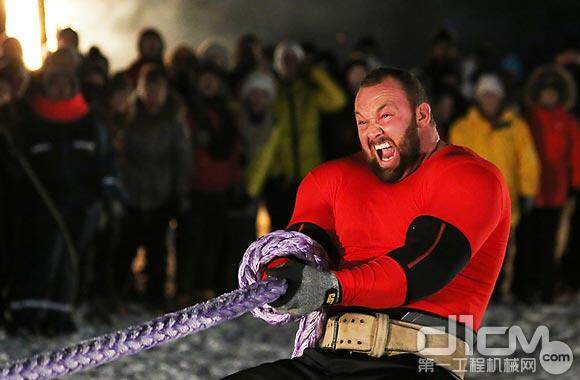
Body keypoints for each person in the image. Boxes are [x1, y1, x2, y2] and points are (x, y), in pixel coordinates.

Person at [226, 67, 510, 379]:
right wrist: (282, 274)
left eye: (385, 116)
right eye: (363, 121)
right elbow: (302, 247)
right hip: (324, 359)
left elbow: (426, 266)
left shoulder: (470, 178)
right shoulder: (330, 179)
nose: (372, 130)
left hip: (416, 364)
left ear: (422, 114)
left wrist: (331, 288)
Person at [6, 63, 114, 335]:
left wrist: (104, 194)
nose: (60, 89)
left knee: (71, 259)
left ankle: (59, 314)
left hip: (81, 204)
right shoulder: (30, 121)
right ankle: (27, 314)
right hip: (41, 204)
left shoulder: (89, 122)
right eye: (54, 82)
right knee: (40, 259)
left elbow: (103, 161)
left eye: (66, 83)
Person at [449, 74, 539, 299]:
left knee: (501, 251)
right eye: (485, 95)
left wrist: (528, 191)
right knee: (473, 251)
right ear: (478, 98)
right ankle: (474, 293)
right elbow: (453, 164)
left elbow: (527, 159)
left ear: (500, 98)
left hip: (506, 200)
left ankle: (496, 292)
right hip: (472, 203)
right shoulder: (462, 127)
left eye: (493, 95)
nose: (489, 100)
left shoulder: (515, 126)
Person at [115, 65, 192, 310]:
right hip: (132, 192)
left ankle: (155, 295)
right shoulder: (129, 116)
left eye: (157, 89)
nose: (153, 95)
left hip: (161, 193)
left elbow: (182, 159)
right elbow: (119, 153)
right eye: (148, 89)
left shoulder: (173, 121)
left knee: (157, 249)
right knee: (125, 246)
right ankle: (121, 292)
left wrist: (180, 193)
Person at [512, 65, 579, 303]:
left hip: (555, 191)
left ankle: (546, 288)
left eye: (553, 92)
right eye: (545, 92)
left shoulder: (568, 121)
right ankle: (524, 289)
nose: (548, 96)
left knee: (549, 243)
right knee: (526, 241)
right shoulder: (527, 119)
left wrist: (575, 183)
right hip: (530, 190)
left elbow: (575, 154)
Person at [263, 40, 346, 230]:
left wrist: (314, 72)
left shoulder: (309, 94)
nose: (289, 65)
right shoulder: (272, 93)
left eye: (294, 61)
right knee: (279, 234)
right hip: (280, 180)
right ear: (277, 64)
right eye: (285, 60)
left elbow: (338, 100)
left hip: (309, 177)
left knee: (310, 232)